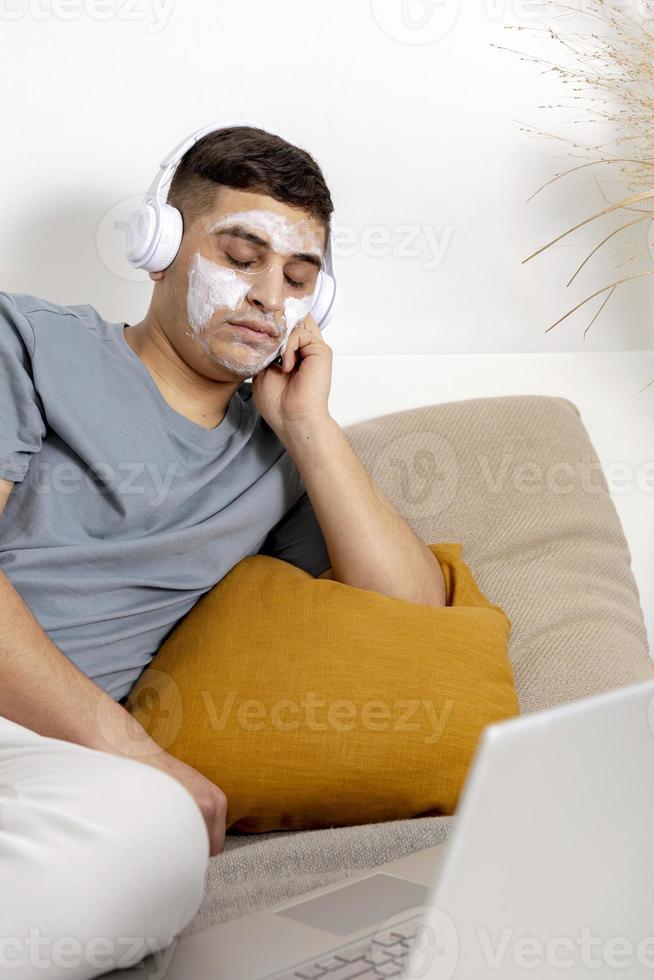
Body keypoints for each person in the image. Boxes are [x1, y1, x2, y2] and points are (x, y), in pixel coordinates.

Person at [0, 125, 446, 979]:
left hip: (52, 773)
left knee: (156, 842)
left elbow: (411, 615)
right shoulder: (26, 341)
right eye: (240, 256)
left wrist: (309, 428)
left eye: (298, 277)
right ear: (159, 248)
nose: (266, 295)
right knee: (157, 813)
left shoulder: (277, 455)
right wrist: (132, 748)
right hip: (79, 741)